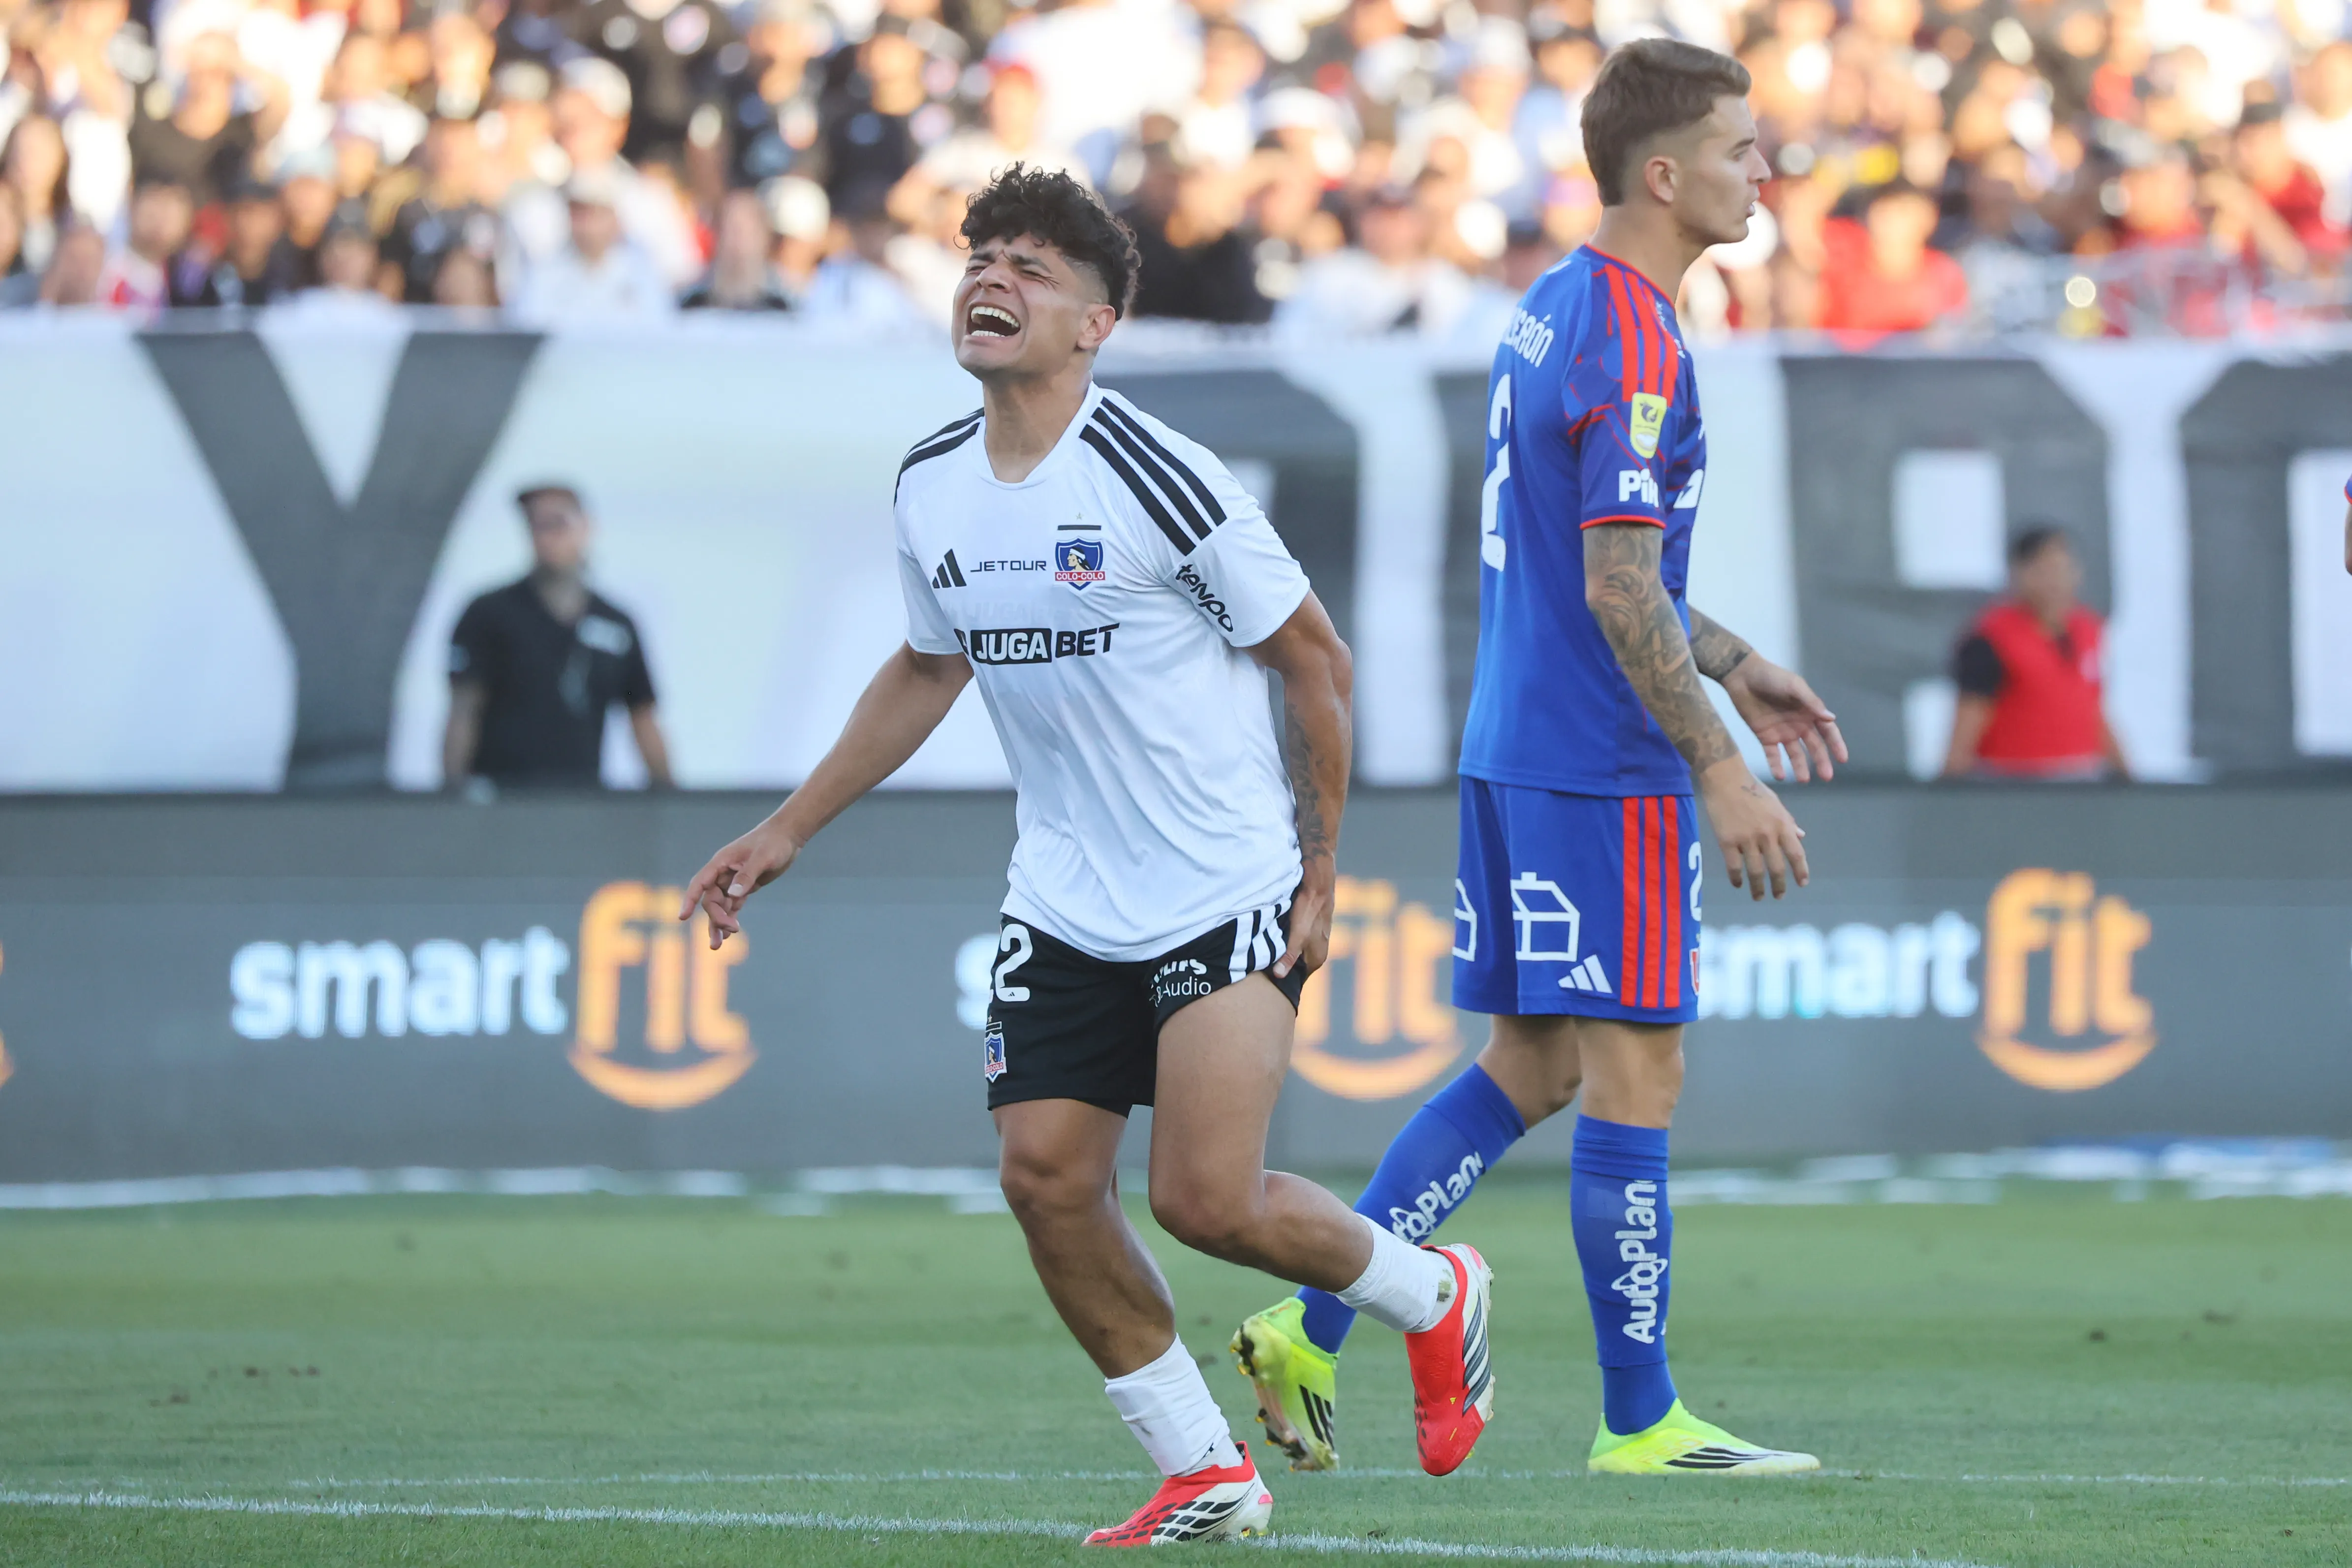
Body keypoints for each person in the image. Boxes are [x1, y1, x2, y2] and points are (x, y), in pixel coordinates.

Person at [677, 165, 1495, 1545]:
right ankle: (1203, 1467)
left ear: (1096, 324)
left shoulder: (1158, 474)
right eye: (981, 257)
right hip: (1062, 891)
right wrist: (784, 828)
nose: (992, 279)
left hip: (1222, 875)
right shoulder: (931, 482)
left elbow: (1316, 663)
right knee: (1045, 1178)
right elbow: (928, 669)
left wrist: (1320, 868)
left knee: (1205, 1201)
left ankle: (1432, 1293)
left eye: (1032, 269)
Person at [1233, 38, 1844, 1479]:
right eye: (1745, 148)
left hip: (1515, 746)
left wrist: (1739, 659)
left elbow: (1604, 562)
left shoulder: (1552, 308)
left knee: (1532, 1065)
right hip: (1602, 763)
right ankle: (1643, 1422)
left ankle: (1313, 1328)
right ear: (1665, 170)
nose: (1765, 171)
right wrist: (1718, 764)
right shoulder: (1635, 335)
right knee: (1638, 1078)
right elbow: (1619, 586)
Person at [444, 485, 673, 792]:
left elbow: (642, 715)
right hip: (502, 799)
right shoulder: (489, 614)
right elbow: (464, 709)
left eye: (557, 523)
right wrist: (452, 795)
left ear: (586, 527)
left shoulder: (615, 623)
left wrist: (669, 798)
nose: (546, 537)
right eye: (536, 525)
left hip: (583, 800)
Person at [1942, 526, 2128, 781]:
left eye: (2063, 568)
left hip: (2083, 781)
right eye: (2043, 570)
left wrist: (2127, 773)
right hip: (2015, 785)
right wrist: (1948, 788)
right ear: (2018, 574)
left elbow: (2091, 709)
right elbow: (1967, 727)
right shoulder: (1991, 640)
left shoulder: (2087, 630)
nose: (2055, 581)